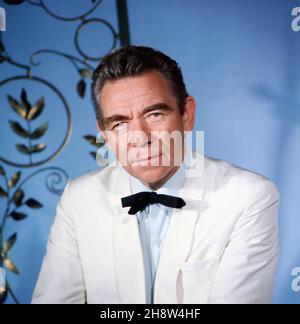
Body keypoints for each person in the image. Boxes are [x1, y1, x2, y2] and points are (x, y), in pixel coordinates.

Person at [32, 45, 280, 304]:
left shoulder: (249, 197)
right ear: (104, 134)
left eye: (155, 114)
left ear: (187, 114)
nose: (140, 138)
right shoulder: (78, 199)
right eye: (120, 124)